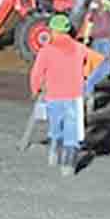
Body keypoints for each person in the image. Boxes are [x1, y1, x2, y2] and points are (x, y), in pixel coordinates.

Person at [29, 14, 91, 176]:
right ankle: (68, 166)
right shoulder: (80, 49)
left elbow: (37, 73)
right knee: (72, 131)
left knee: (56, 126)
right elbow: (93, 65)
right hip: (74, 95)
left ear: (53, 31)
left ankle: (54, 152)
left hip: (54, 95)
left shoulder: (47, 50)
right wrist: (85, 77)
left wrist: (35, 89)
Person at [83, 0, 110, 115]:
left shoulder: (109, 10)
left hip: (106, 39)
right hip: (98, 39)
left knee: (104, 66)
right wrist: (86, 37)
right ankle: (88, 90)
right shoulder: (95, 11)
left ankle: (88, 89)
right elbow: (89, 23)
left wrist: (102, 1)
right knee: (101, 66)